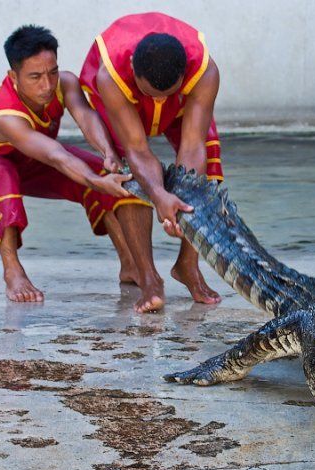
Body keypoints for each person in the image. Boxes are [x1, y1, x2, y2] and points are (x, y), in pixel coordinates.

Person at [0, 25, 148, 304]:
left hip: (33, 157)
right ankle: (13, 271)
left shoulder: (65, 83)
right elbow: (56, 155)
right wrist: (95, 181)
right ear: (13, 77)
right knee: (4, 175)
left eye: (52, 72)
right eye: (35, 77)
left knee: (105, 172)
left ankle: (129, 263)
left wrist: (108, 154)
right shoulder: (6, 115)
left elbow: (86, 116)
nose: (47, 85)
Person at [80, 12, 225, 313]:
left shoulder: (205, 71)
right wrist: (159, 196)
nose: (158, 103)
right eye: (151, 95)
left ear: (184, 77)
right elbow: (138, 150)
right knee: (124, 173)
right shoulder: (112, 75)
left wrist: (181, 205)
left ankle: (187, 265)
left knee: (208, 163)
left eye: (166, 96)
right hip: (122, 98)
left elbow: (192, 145)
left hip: (180, 104)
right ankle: (148, 278)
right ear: (133, 68)